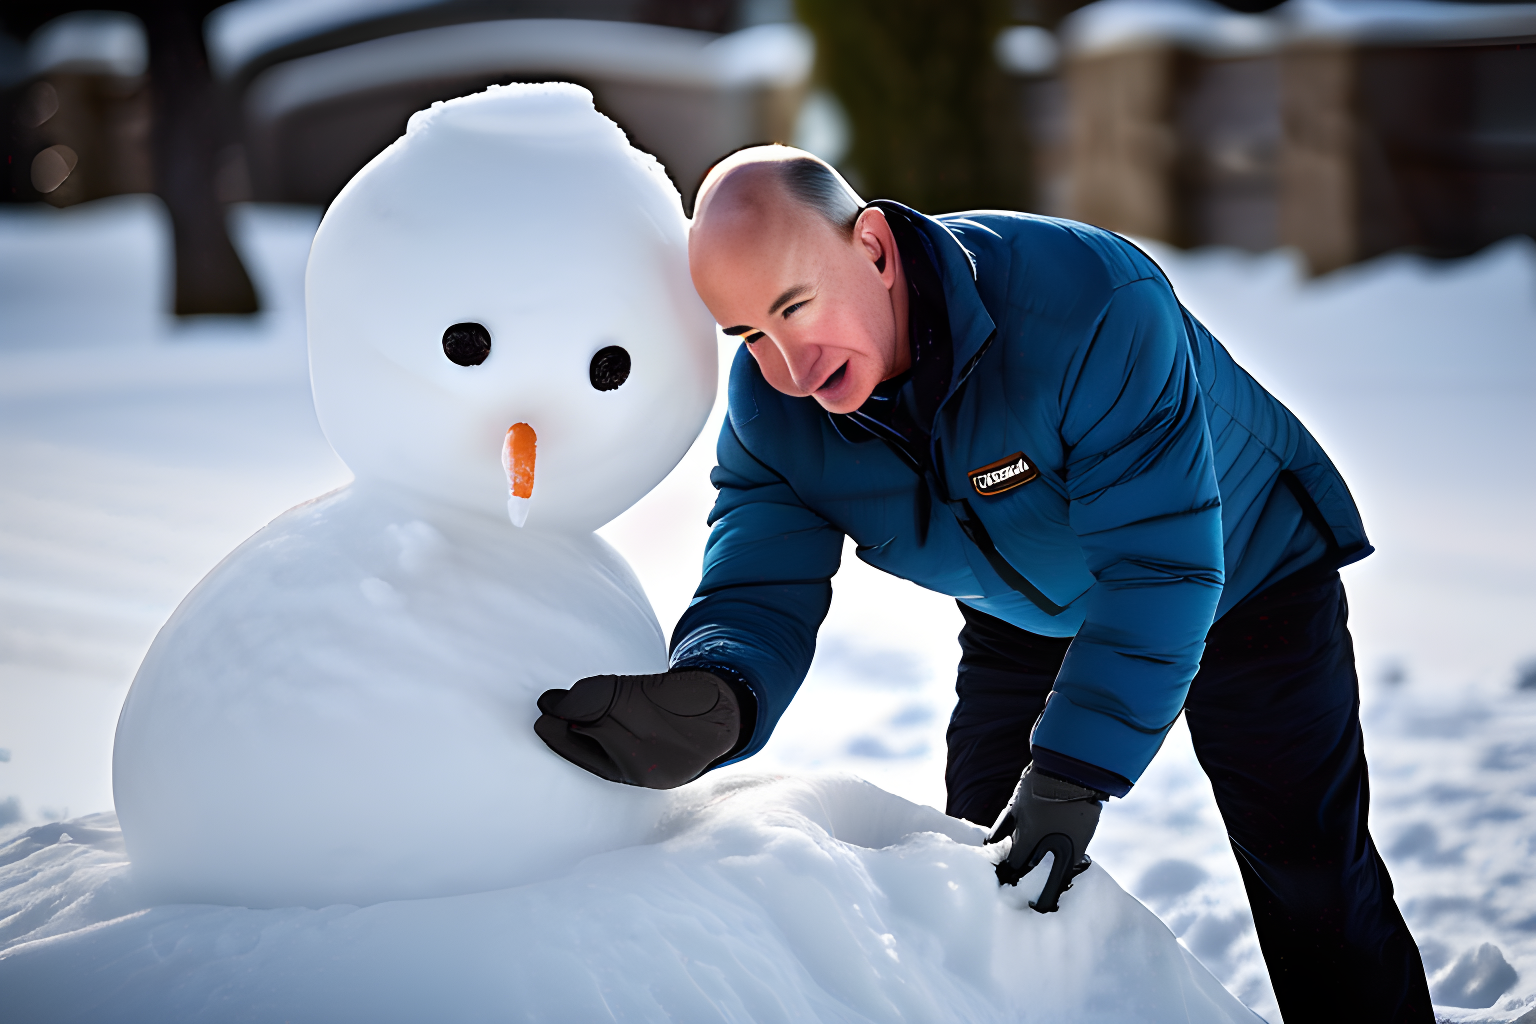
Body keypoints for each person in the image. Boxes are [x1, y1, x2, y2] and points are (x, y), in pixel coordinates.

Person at [533, 146, 1432, 1021]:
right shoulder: (775, 411)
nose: (789, 369)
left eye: (795, 308)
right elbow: (760, 580)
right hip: (1027, 612)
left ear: (875, 248)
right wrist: (716, 695)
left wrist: (1075, 773)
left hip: (1248, 570)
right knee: (984, 871)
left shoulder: (1089, 305)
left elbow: (1160, 566)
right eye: (750, 336)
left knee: (1307, 867)